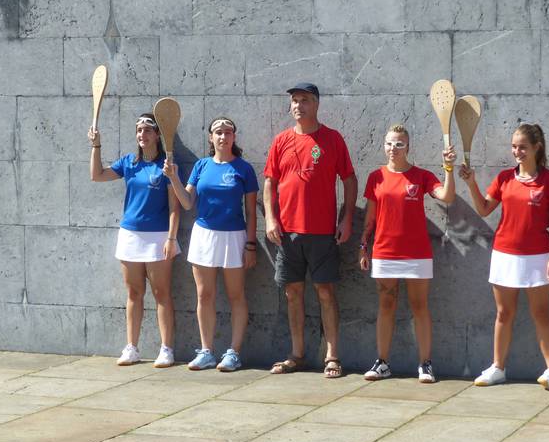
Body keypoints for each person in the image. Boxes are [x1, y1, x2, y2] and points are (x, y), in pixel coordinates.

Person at [459, 123, 549, 390]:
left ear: (536, 147)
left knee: (541, 313)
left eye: (523, 147)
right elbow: (484, 209)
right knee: (504, 313)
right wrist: (471, 183)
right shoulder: (505, 178)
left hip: (539, 256)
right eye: (514, 147)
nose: (517, 152)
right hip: (504, 255)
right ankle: (498, 368)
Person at [264, 82, 357, 378]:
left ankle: (332, 356)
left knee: (325, 291)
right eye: (294, 100)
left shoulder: (332, 139)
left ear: (316, 104)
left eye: (304, 100)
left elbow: (350, 179)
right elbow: (270, 182)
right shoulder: (281, 140)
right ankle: (297, 354)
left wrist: (346, 218)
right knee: (292, 292)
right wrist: (270, 219)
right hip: (287, 233)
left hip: (322, 231)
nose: (298, 106)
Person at [359, 125, 456, 383]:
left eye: (399, 144)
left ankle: (425, 364)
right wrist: (363, 247)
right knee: (386, 305)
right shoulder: (375, 177)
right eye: (389, 143)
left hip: (417, 254)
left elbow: (447, 196)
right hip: (384, 252)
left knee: (419, 306)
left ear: (408, 147)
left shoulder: (421, 176)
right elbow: (370, 218)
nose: (394, 148)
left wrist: (448, 168)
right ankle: (382, 363)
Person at [163, 117, 258, 372]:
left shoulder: (244, 169)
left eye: (228, 132)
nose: (223, 136)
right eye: (218, 132)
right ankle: (206, 352)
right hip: (204, 236)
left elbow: (251, 212)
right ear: (210, 137)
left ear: (234, 137)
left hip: (234, 237)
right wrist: (173, 177)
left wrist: (250, 245)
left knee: (236, 295)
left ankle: (234, 353)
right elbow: (186, 202)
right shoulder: (201, 166)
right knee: (204, 295)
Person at [88, 113, 180, 367]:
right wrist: (96, 145)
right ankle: (132, 348)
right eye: (139, 130)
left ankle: (166, 349)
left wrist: (171, 237)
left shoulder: (167, 166)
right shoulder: (129, 162)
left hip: (159, 237)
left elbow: (175, 208)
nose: (142, 135)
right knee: (134, 292)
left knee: (162, 293)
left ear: (158, 135)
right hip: (130, 236)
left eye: (148, 130)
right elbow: (97, 175)